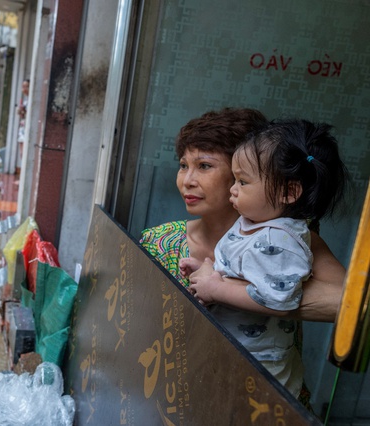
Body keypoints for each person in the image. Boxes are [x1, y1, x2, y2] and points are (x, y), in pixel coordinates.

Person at [139, 108, 346, 404]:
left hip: (270, 399)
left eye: (205, 166)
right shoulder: (161, 243)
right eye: (183, 165)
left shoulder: (292, 236)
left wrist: (228, 290)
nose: (187, 180)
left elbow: (352, 305)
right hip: (190, 397)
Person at [17, 79, 30, 163]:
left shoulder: (31, 101)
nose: (24, 89)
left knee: (25, 153)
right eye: (23, 87)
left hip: (27, 130)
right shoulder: (25, 101)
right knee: (21, 153)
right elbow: (22, 115)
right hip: (22, 129)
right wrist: (21, 111)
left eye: (26, 86)